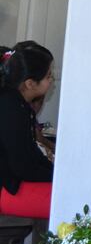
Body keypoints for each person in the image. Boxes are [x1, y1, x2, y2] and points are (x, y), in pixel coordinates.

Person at [0, 42, 55, 219]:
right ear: (30, 83)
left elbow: (31, 156)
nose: (52, 79)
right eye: (48, 76)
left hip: (13, 182)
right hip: (7, 189)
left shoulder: (18, 103)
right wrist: (55, 176)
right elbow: (22, 166)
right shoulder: (11, 108)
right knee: (73, 201)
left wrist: (56, 172)